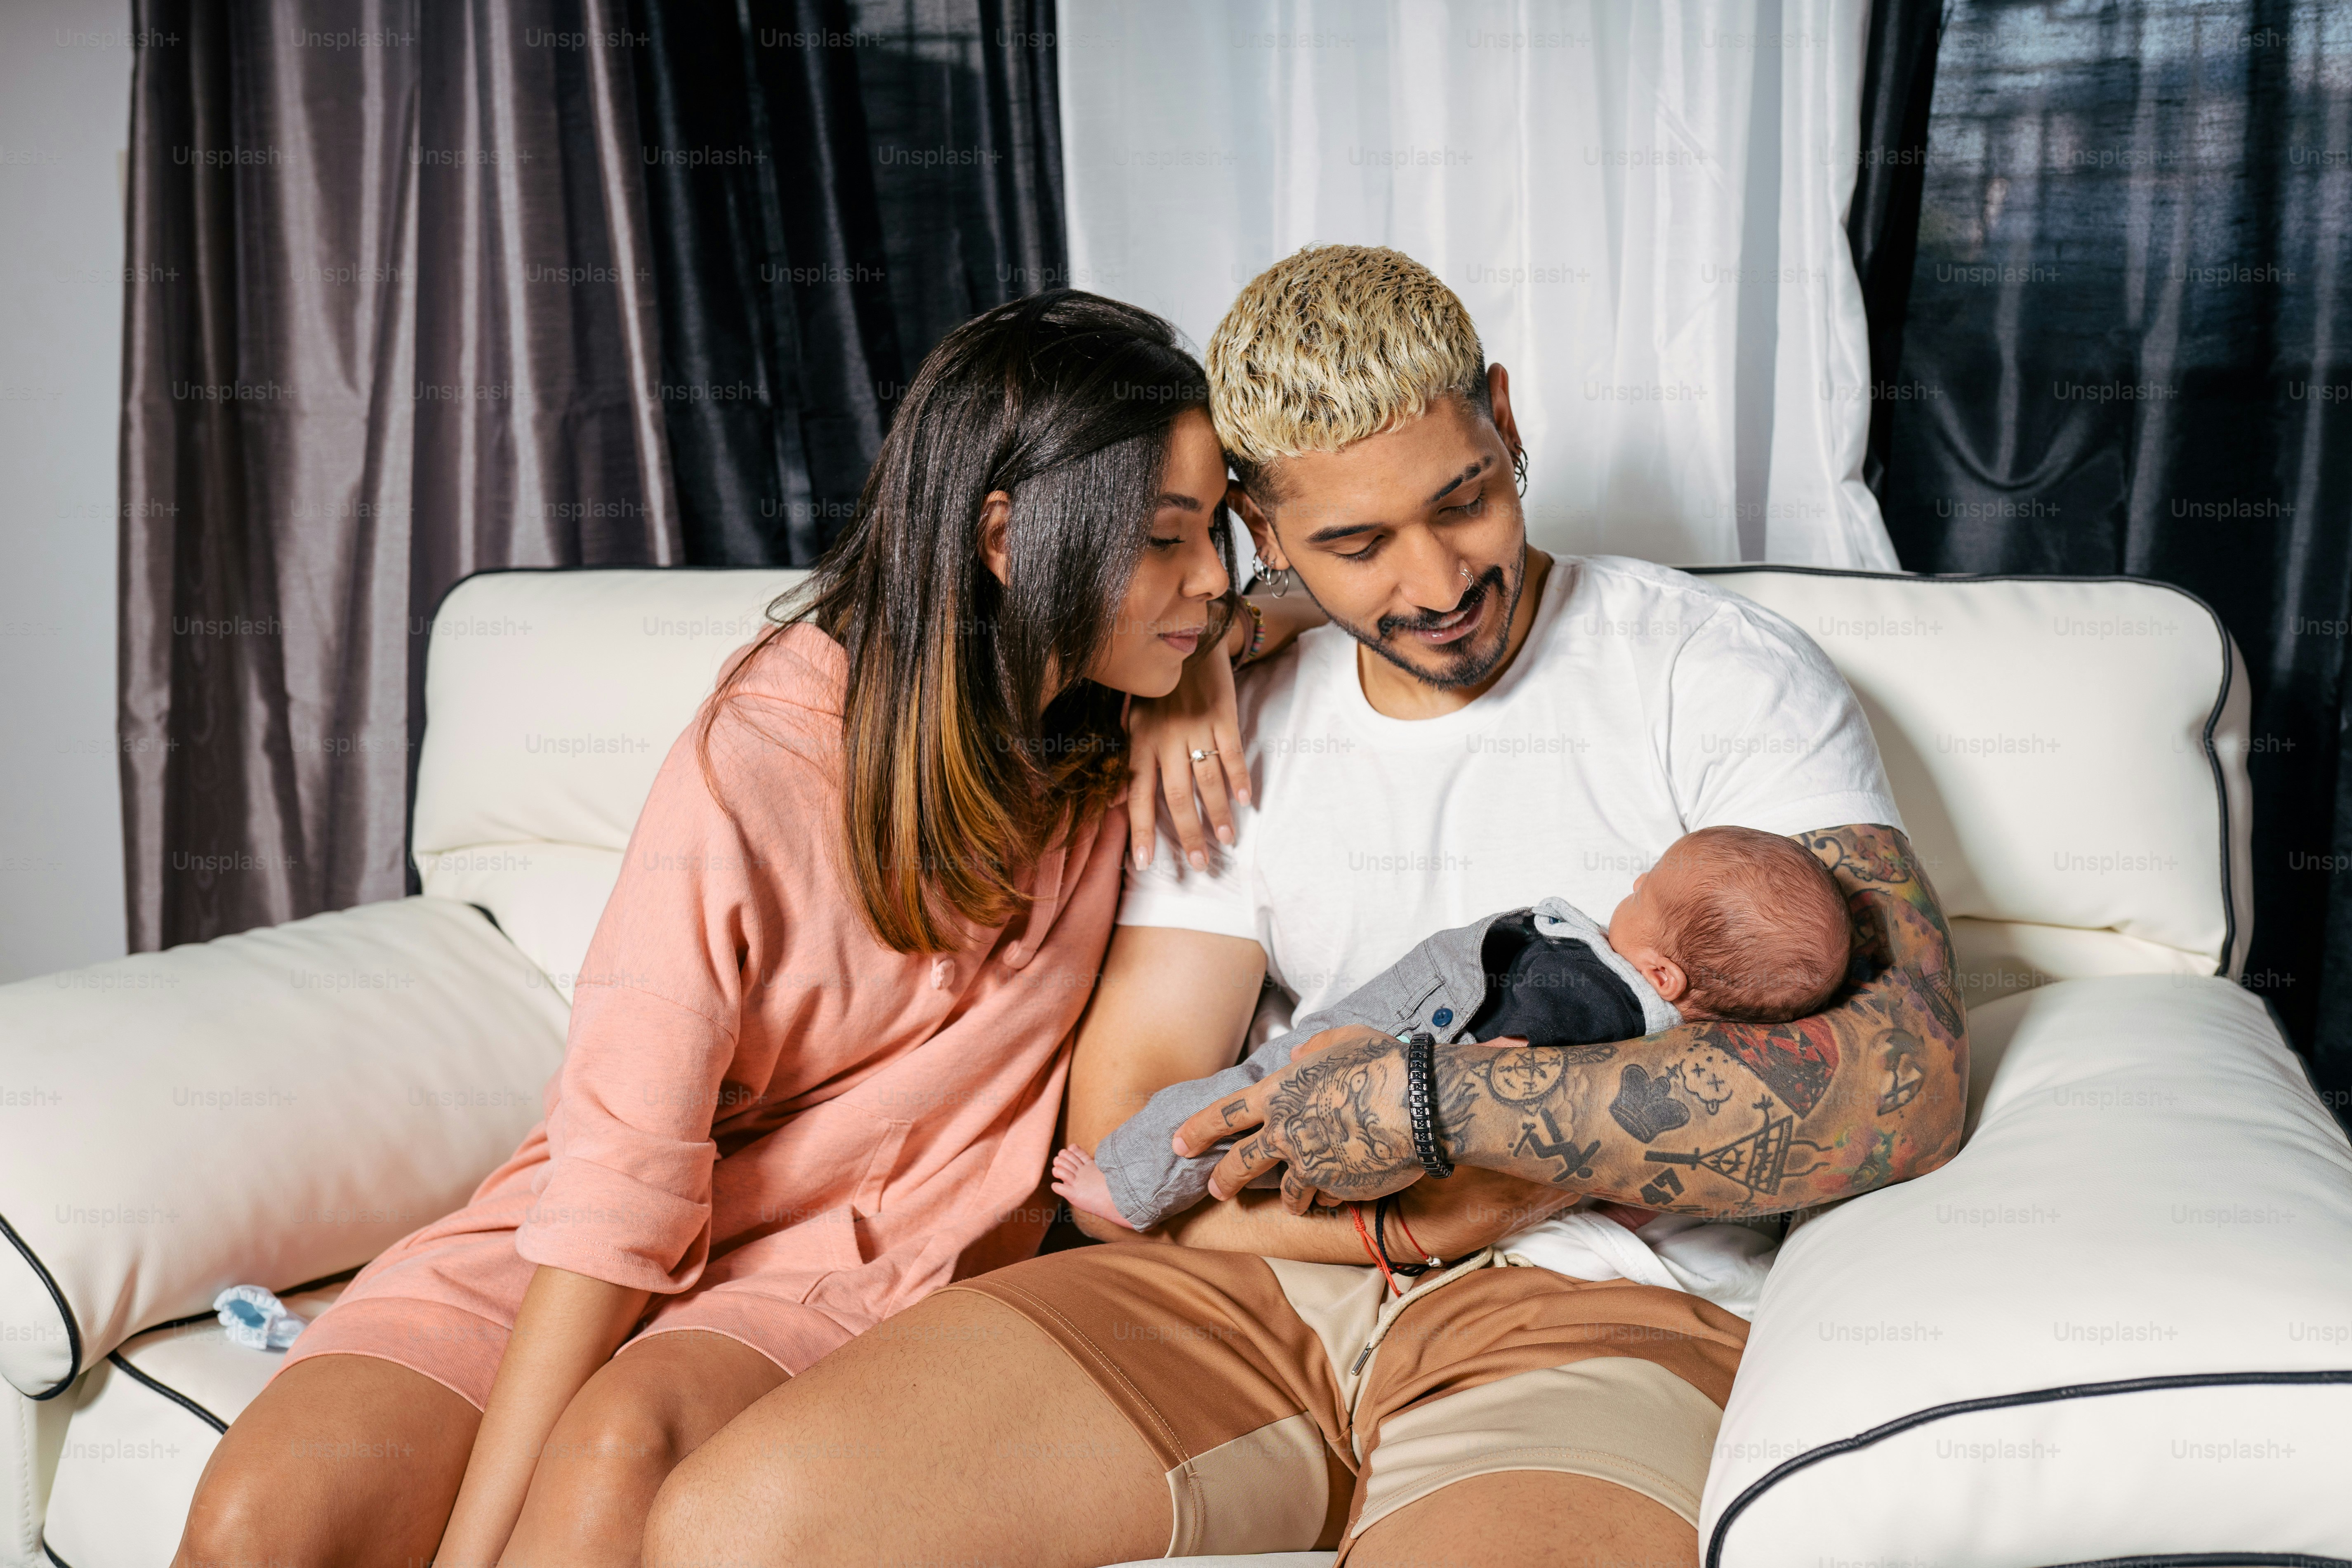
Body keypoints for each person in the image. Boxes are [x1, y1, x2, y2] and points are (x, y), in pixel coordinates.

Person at [646, 245, 1967, 1568]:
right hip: (1240, 1289)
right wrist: (1397, 1225)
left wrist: (1438, 1115)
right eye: (1355, 544)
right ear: (1262, 534)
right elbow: (1122, 1128)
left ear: (1504, 420)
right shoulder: (1226, 725)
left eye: (1464, 500)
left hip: (1593, 1310)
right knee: (733, 1530)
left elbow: (1900, 1082)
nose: (1437, 584)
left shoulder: (1711, 674)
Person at [168, 290, 1318, 1568]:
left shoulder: (1131, 709)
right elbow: (614, 1186)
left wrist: (1203, 661)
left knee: (614, 1452)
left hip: (861, 1254)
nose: (1210, 578)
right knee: (257, 1520)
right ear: (1005, 538)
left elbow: (1343, 583)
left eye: (1215, 535)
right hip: (606, 1234)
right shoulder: (768, 751)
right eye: (1165, 540)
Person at [1055, 823, 1853, 1234]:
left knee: (1252, 1102)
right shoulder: (1652, 1036)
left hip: (1400, 1045)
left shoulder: (1599, 994)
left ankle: (1130, 1186)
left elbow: (1513, 1064)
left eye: (1646, 892)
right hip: (1412, 1032)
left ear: (1665, 976)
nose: (1635, 881)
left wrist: (1452, 1074)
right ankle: (1138, 1180)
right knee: (1262, 1113)